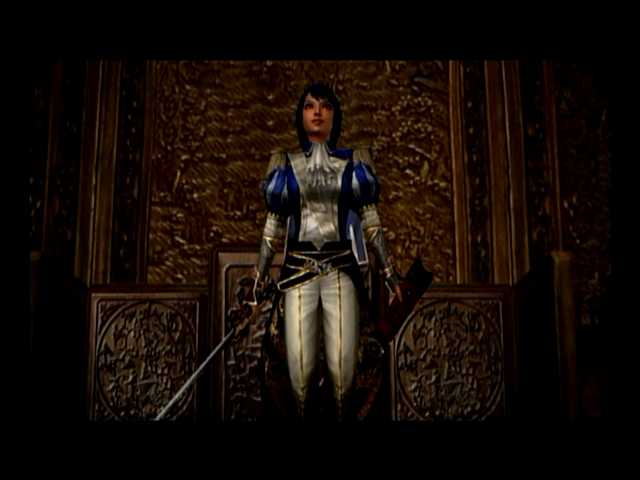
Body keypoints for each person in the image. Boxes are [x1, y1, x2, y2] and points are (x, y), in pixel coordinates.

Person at [253, 82, 402, 419]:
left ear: (335, 115)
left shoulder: (354, 164)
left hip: (340, 271)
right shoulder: (285, 165)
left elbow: (372, 224)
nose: (317, 112)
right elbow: (272, 228)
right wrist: (258, 276)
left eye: (325, 106)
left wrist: (390, 275)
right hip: (298, 274)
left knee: (343, 371)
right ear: (301, 115)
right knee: (300, 373)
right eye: (310, 106)